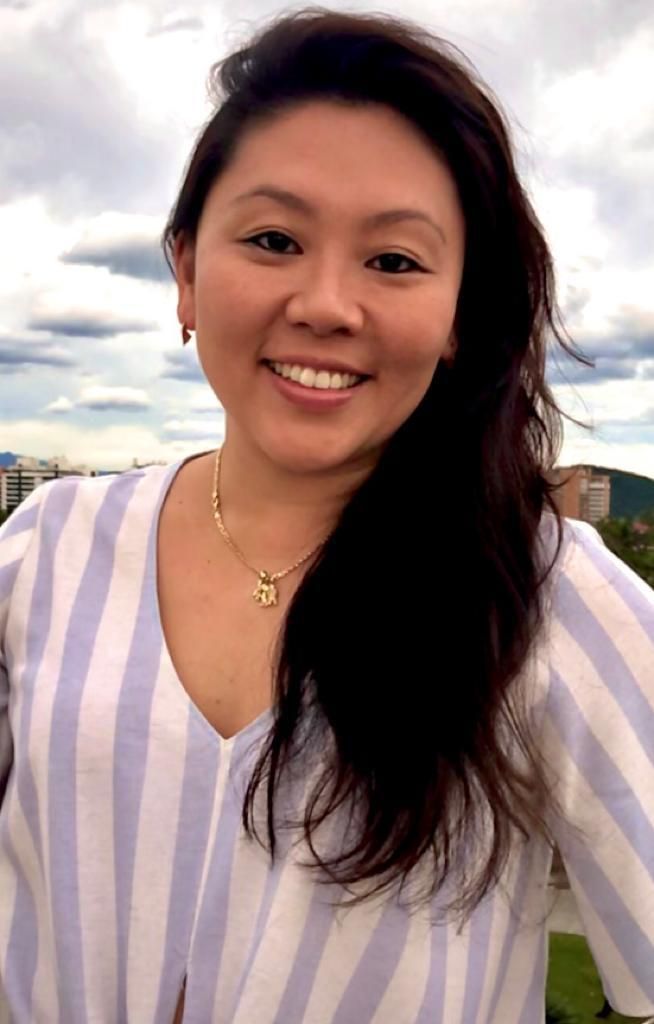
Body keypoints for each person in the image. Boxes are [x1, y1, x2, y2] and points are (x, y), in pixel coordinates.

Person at [1, 8, 653, 1023]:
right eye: (273, 239)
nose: (327, 303)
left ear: (458, 317)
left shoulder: (551, 600)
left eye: (393, 261)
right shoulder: (45, 553)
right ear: (183, 270)